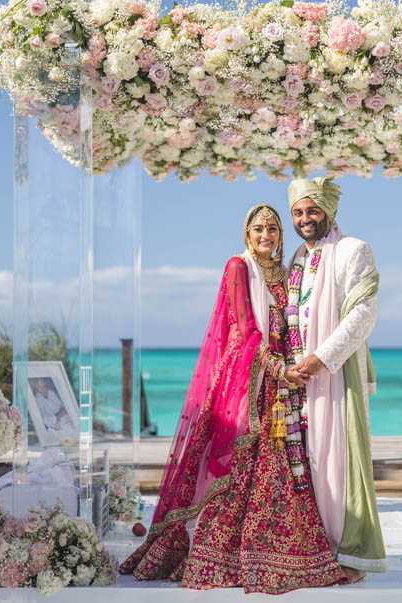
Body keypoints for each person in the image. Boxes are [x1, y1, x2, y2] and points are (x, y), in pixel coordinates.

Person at [120, 204, 345, 594]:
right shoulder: (238, 267)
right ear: (246, 233)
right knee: (238, 468)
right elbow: (244, 329)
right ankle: (222, 553)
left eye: (273, 228)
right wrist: (277, 370)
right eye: (258, 228)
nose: (266, 235)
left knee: (284, 470)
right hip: (246, 384)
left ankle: (278, 553)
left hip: (283, 386)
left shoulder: (287, 274)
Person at [285, 177, 387, 582]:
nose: (305, 219)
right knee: (310, 461)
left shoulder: (352, 250)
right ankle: (317, 547)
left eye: (312, 211)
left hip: (337, 373)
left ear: (329, 211)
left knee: (339, 463)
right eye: (298, 212)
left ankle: (351, 554)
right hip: (301, 379)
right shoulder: (297, 257)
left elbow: (363, 315)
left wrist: (321, 359)